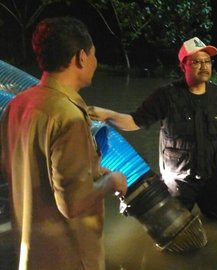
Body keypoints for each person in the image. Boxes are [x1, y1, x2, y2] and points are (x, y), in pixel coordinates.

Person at [0, 17, 127, 270]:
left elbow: (28, 166)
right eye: (93, 55)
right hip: (68, 257)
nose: (95, 62)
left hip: (31, 253)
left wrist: (95, 170)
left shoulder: (16, 106)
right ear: (81, 57)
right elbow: (73, 203)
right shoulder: (68, 116)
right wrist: (112, 181)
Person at [88, 37, 217, 220]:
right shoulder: (166, 95)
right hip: (179, 183)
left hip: (211, 179)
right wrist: (107, 115)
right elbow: (135, 121)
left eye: (207, 61)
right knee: (174, 229)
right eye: (196, 62)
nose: (204, 66)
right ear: (183, 66)